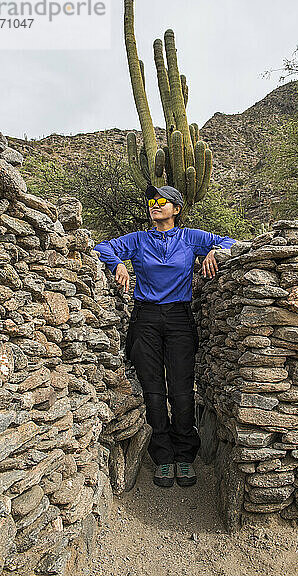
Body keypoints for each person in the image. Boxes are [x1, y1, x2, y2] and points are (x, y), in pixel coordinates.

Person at [93, 185, 236, 488]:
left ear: (177, 209)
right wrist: (117, 262)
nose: (155, 205)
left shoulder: (190, 237)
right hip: (145, 317)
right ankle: (163, 455)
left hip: (179, 317)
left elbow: (230, 242)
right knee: (153, 389)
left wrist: (213, 250)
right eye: (152, 201)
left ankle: (185, 454)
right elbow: (103, 246)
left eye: (162, 201)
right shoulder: (139, 239)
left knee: (182, 388)